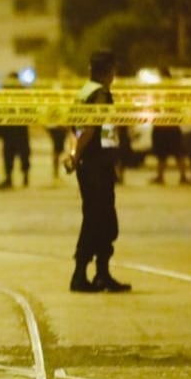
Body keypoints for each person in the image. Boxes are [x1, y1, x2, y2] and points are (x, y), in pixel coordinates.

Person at [63, 50, 132, 293]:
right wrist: (76, 155)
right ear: (109, 70)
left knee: (98, 219)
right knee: (99, 220)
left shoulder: (84, 92)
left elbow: (75, 129)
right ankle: (82, 274)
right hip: (96, 165)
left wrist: (74, 155)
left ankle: (101, 274)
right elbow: (90, 129)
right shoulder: (100, 94)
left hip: (93, 164)